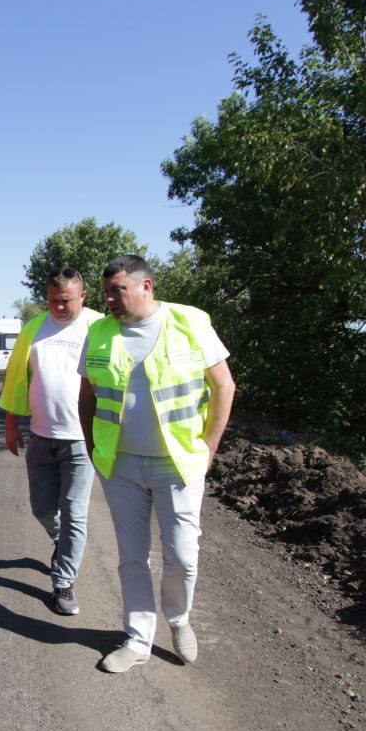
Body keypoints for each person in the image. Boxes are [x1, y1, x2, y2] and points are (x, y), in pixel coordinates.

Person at [77, 255, 235, 672]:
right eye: (107, 290)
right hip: (121, 464)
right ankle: (137, 640)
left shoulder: (190, 322)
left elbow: (224, 386)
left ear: (146, 286)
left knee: (182, 554)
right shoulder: (99, 332)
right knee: (131, 556)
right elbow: (88, 395)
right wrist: (95, 447)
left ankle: (179, 619)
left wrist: (209, 449)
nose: (109, 298)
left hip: (178, 463)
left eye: (118, 290)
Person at [0, 267, 104, 615]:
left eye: (66, 301)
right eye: (53, 301)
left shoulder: (100, 327)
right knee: (42, 508)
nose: (58, 307)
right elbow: (17, 379)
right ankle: (61, 542)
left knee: (75, 512)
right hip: (42, 436)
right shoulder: (34, 328)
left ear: (83, 297)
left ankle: (63, 584)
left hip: (82, 440)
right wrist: (12, 424)